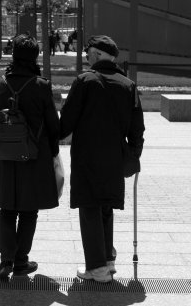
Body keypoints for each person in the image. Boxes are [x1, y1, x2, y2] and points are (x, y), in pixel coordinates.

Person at [59, 35, 145, 282]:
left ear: (96, 55)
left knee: (89, 208)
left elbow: (66, 123)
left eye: (88, 55)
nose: (87, 59)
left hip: (88, 157)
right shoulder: (128, 85)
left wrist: (53, 136)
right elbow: (137, 129)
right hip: (115, 159)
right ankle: (107, 260)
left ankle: (97, 268)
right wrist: (133, 157)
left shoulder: (84, 81)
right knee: (106, 207)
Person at [0, 34, 60, 279]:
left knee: (7, 209)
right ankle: (20, 261)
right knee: (29, 211)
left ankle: (5, 260)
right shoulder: (41, 86)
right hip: (34, 156)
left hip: (5, 155)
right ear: (36, 57)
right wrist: (54, 153)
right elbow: (53, 125)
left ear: (12, 55)